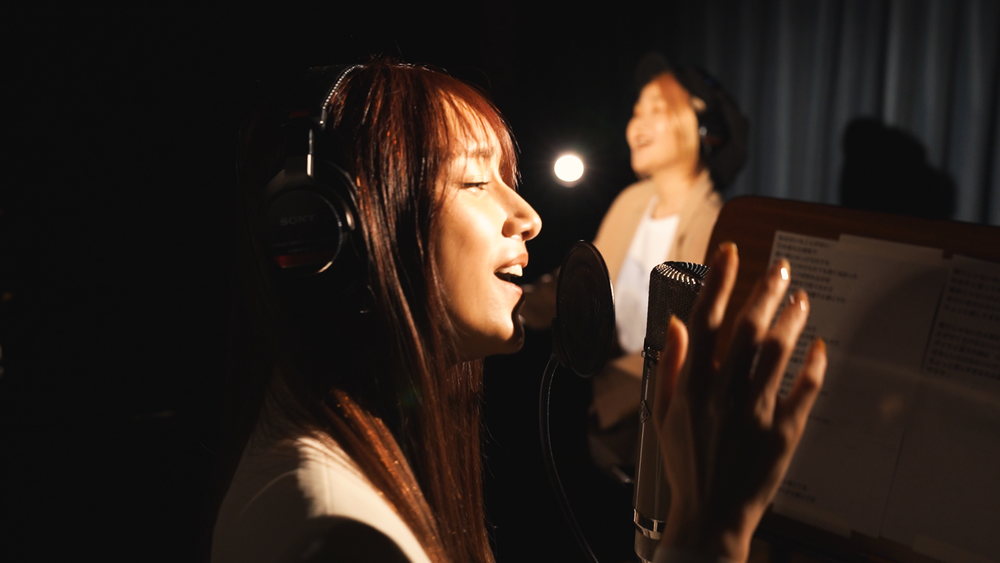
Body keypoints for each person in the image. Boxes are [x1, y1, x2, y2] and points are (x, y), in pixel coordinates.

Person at [210, 60, 824, 563]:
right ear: (336, 231)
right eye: (476, 183)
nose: (529, 217)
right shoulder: (342, 541)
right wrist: (708, 538)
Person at [522, 56, 748, 479]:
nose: (636, 125)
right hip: (597, 401)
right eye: (636, 111)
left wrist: (606, 393)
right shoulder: (631, 202)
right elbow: (581, 286)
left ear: (703, 129)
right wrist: (515, 305)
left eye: (657, 109)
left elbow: (686, 354)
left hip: (648, 430)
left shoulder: (716, 225)